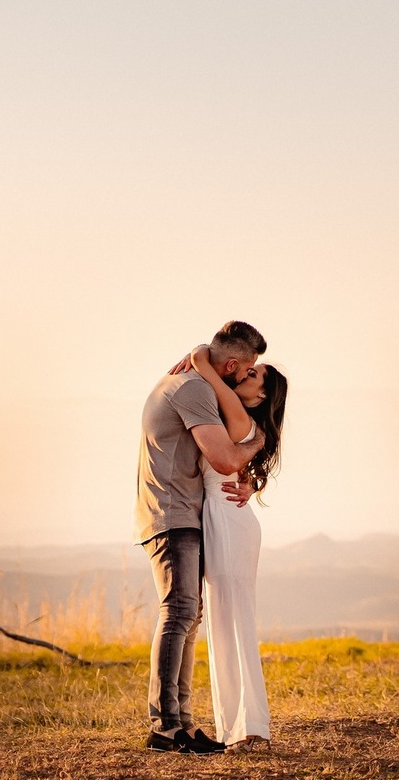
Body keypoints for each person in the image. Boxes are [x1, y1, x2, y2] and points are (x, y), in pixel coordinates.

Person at [134, 321, 266, 755]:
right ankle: (166, 726)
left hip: (181, 511)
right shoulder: (193, 389)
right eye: (246, 369)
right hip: (171, 513)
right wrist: (256, 443)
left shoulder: (193, 379)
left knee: (188, 617)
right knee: (179, 613)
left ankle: (182, 724)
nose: (246, 376)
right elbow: (225, 459)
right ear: (231, 364)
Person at [180, 344, 287, 753]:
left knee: (234, 623)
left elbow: (208, 374)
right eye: (247, 370)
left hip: (229, 523)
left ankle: (251, 726)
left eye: (253, 375)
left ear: (261, 397)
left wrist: (198, 354)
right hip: (225, 518)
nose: (245, 375)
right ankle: (236, 727)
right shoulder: (243, 422)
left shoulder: (238, 414)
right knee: (224, 625)